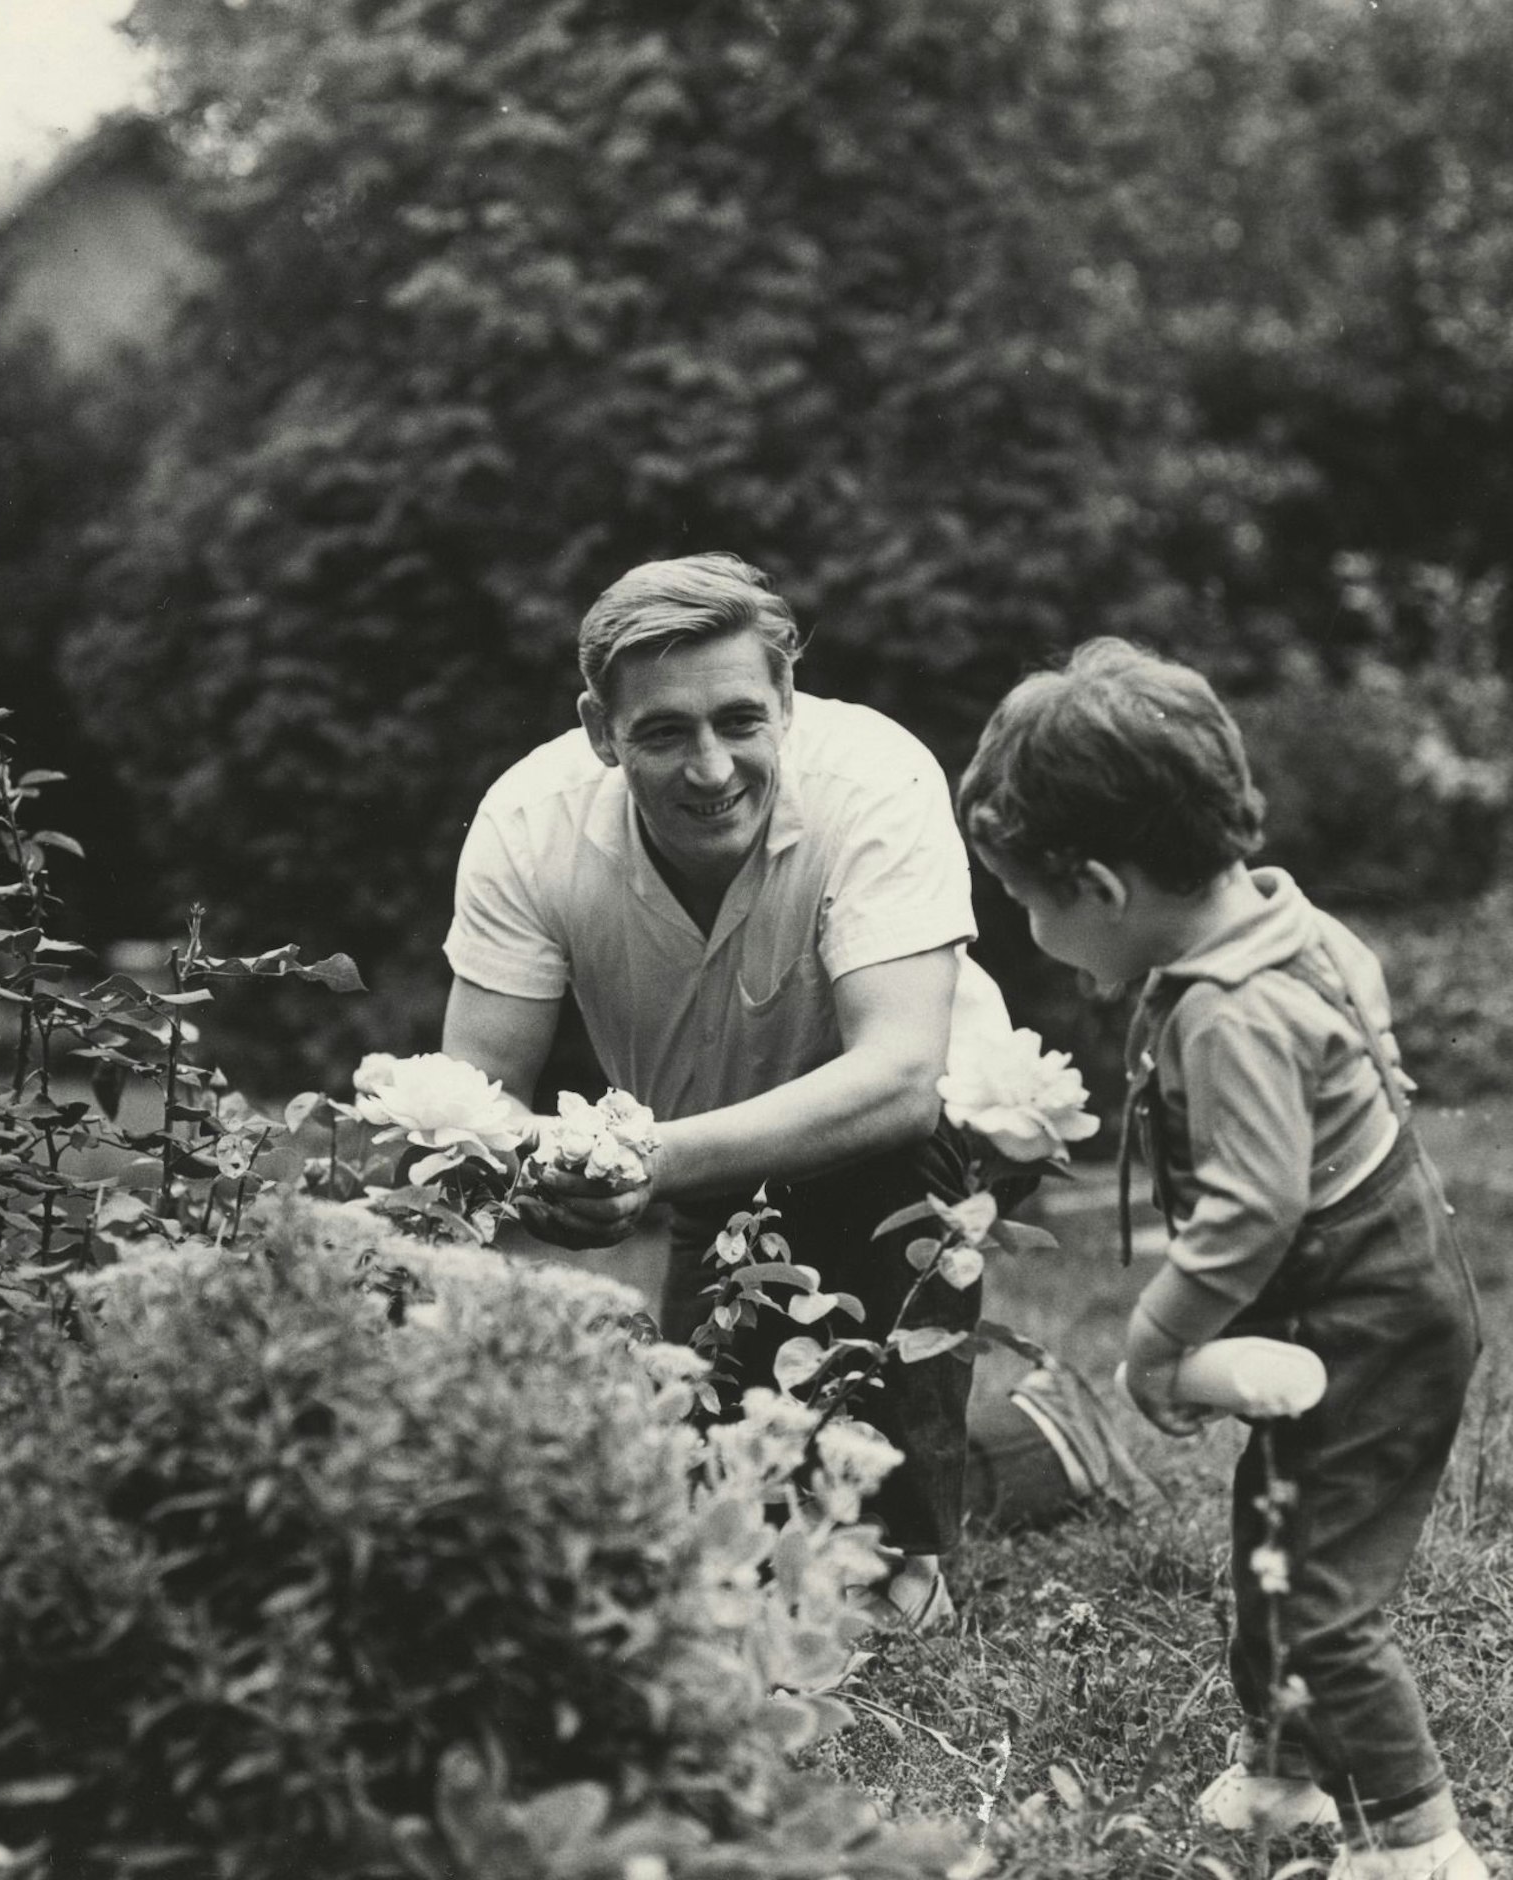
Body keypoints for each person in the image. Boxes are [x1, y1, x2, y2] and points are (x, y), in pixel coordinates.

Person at [956, 638, 1486, 1880]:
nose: (1031, 930)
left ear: (1099, 885)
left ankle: (1414, 1843)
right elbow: (1361, 1000)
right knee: (1272, 1531)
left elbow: (1250, 1210)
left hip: (1367, 1317)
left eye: (1028, 903)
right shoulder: (1279, 918)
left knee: (1319, 1597)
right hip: (1366, 1294)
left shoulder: (1229, 1012)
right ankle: (1283, 1768)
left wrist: (1157, 1339)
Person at [440, 551, 1014, 1629]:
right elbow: (473, 1098)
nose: (710, 769)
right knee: (713, 1480)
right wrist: (544, 1176)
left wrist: (647, 1160)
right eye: (663, 732)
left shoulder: (875, 779)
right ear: (600, 728)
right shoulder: (527, 823)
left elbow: (896, 1079)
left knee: (872, 1259)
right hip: (709, 1170)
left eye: (740, 720)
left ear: (787, 699)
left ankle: (902, 1561)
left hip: (923, 1139)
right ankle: (1046, 1439)